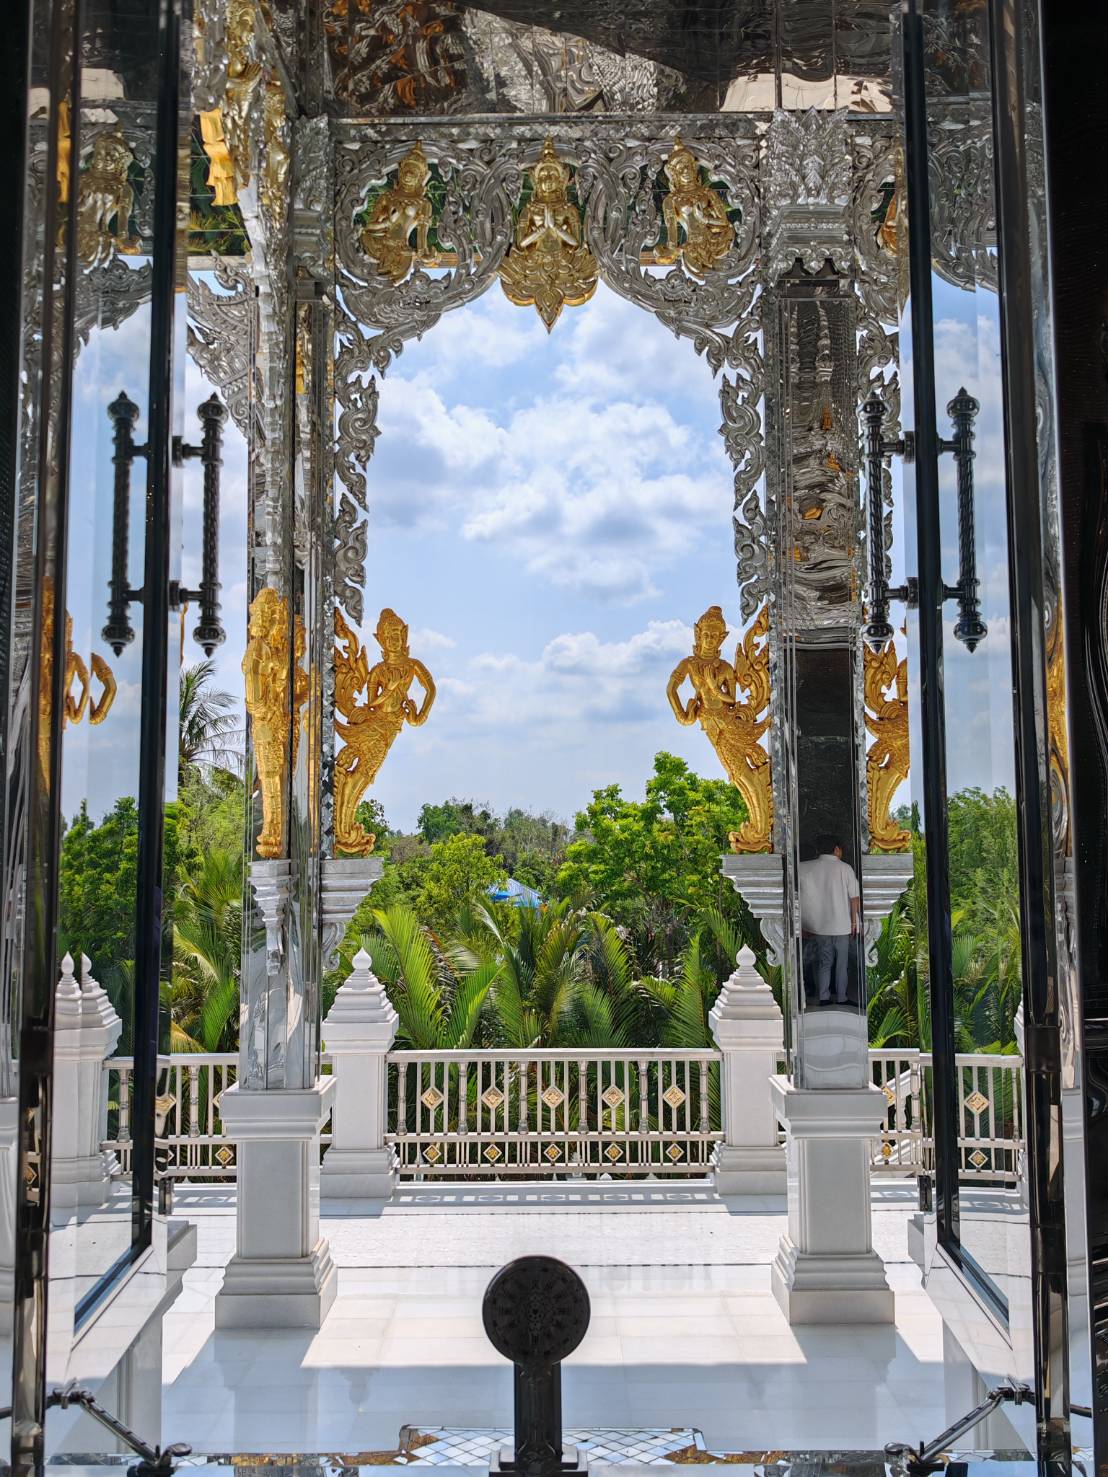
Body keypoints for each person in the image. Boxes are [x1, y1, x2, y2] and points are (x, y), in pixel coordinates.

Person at [798, 831, 861, 1006]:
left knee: (824, 962)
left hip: (819, 926)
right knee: (842, 963)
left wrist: (804, 923)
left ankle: (823, 997)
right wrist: (854, 921)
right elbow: (854, 897)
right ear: (836, 849)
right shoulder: (845, 868)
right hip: (842, 925)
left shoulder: (805, 867)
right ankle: (841, 997)